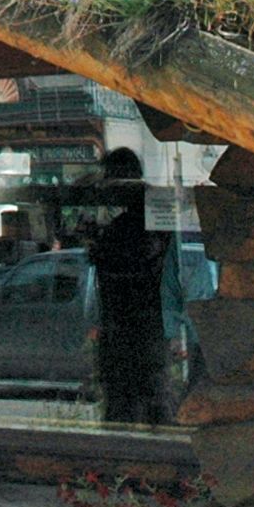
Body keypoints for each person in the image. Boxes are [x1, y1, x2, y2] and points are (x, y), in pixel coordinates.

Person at [87, 148, 169, 426]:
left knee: (129, 404)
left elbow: (118, 265)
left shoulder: (134, 224)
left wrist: (98, 248)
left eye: (111, 180)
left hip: (133, 327)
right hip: (143, 326)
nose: (108, 190)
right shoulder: (152, 216)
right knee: (148, 399)